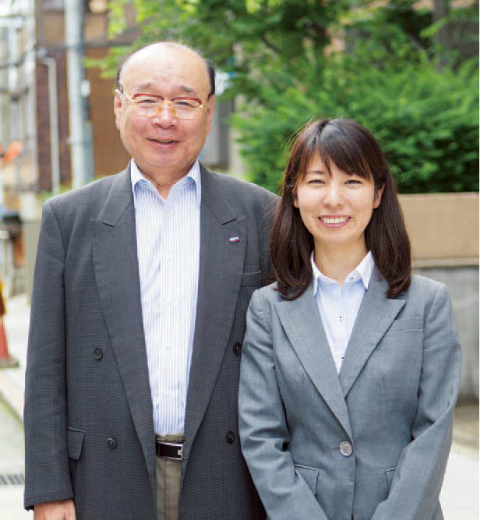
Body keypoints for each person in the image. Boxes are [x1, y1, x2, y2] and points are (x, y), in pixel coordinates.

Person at [24, 41, 277, 520]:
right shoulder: (69, 219)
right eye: (148, 100)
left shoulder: (261, 214)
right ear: (119, 107)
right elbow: (45, 368)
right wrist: (49, 489)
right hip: (103, 478)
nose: (166, 118)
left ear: (209, 112)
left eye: (184, 101)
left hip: (231, 478)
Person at [239, 118, 461, 520]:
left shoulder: (427, 303)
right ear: (294, 194)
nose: (334, 199)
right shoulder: (267, 309)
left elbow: (434, 431)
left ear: (378, 193)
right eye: (317, 181)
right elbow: (261, 437)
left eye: (352, 181)